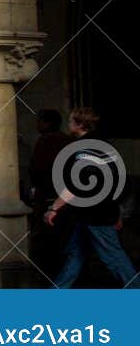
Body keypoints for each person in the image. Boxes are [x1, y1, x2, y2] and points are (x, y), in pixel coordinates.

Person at [45, 107, 137, 288]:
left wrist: (54, 208)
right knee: (76, 254)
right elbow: (118, 179)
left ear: (79, 125)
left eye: (71, 121)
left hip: (95, 215)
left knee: (113, 258)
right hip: (99, 212)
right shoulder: (105, 145)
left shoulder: (82, 148)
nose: (68, 124)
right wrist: (116, 210)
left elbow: (77, 185)